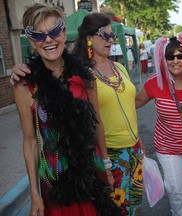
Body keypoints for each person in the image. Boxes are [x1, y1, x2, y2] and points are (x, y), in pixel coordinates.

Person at [12, 3, 120, 216]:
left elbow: (96, 122)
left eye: (54, 31)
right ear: (32, 41)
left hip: (91, 170)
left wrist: (106, 165)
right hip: (56, 180)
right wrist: (34, 193)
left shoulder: (85, 76)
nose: (49, 40)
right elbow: (30, 142)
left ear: (63, 33)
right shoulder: (24, 84)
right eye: (39, 35)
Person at [72, 13, 144, 216]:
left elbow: (128, 103)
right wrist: (105, 162)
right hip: (111, 154)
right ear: (89, 37)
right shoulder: (83, 73)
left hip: (134, 149)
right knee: (118, 209)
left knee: (136, 206)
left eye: (112, 36)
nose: (110, 40)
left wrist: (138, 140)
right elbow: (93, 120)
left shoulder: (120, 67)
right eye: (105, 35)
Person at [136, 36, 182, 216]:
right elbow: (133, 103)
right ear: (164, 59)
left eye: (180, 55)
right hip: (168, 147)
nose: (176, 60)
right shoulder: (156, 82)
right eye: (170, 56)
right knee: (177, 190)